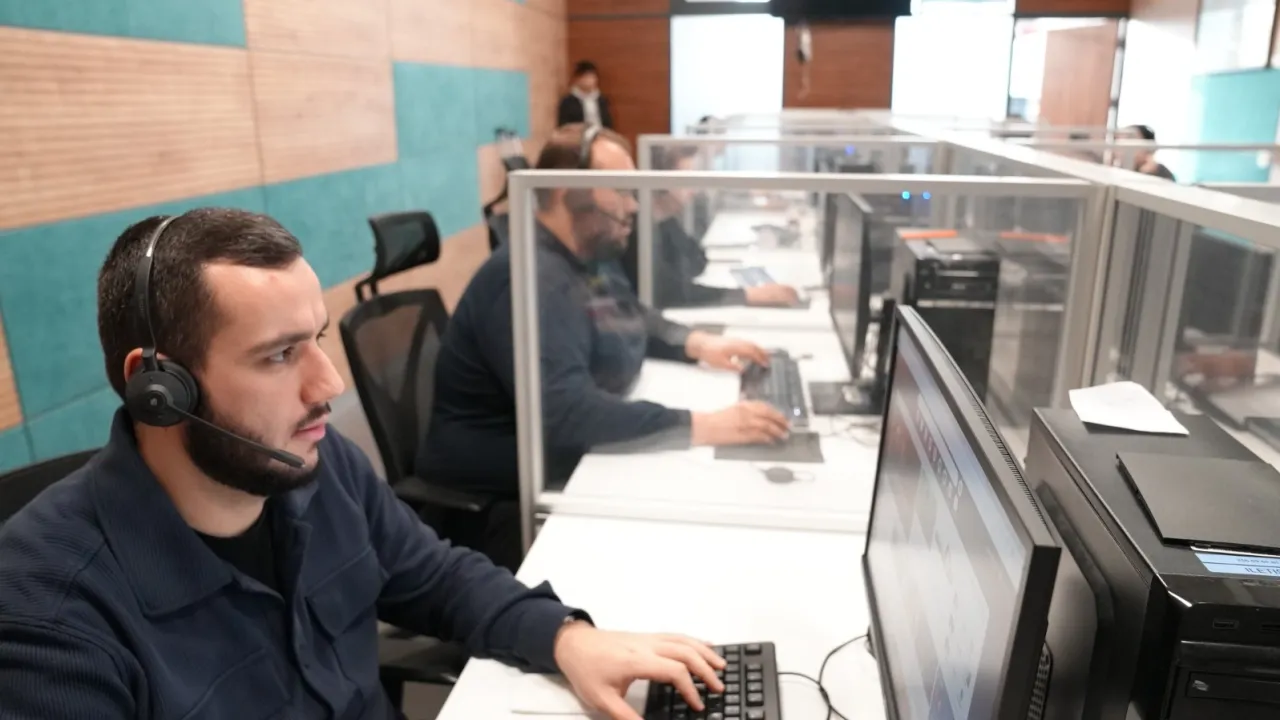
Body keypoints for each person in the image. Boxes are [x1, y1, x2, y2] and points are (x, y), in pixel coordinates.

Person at [0, 208, 728, 720]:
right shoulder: (49, 623)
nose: (329, 385)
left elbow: (438, 576)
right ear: (159, 390)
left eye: (317, 338)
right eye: (279, 355)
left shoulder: (316, 469)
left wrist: (568, 639)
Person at [420, 125, 792, 563]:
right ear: (567, 191)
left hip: (567, 459)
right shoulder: (531, 279)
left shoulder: (584, 253)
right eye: (619, 190)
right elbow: (568, 412)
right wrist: (701, 425)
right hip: (508, 498)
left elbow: (630, 313)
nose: (633, 205)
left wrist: (694, 343)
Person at [622, 146, 801, 309]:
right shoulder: (636, 230)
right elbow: (668, 293)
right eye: (685, 180)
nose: (694, 190)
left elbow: (698, 261)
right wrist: (746, 295)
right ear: (660, 183)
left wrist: (668, 221)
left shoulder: (662, 220)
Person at [558, 60, 614, 130]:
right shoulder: (568, 101)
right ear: (577, 79)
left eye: (592, 77)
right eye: (586, 77)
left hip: (601, 134)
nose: (589, 80)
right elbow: (563, 126)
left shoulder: (602, 100)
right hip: (577, 134)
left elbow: (608, 124)